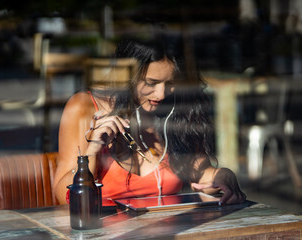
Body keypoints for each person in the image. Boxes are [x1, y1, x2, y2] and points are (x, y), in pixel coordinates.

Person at [53, 34, 246, 206]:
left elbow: (202, 173)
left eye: (170, 83)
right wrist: (93, 149)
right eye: (151, 83)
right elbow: (64, 197)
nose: (161, 94)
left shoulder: (173, 110)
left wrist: (223, 175)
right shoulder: (85, 107)